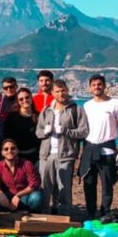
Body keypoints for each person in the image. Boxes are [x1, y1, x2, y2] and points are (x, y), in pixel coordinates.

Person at [79, 74, 118, 221]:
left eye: (99, 84)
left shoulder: (115, 103)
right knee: (88, 182)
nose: (97, 87)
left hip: (107, 150)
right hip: (89, 148)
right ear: (90, 88)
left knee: (107, 183)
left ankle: (105, 211)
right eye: (94, 85)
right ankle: (90, 212)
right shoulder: (87, 106)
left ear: (104, 85)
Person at [36, 79, 89, 215]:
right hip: (46, 155)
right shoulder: (46, 111)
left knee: (64, 187)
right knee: (45, 186)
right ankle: (45, 212)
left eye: (63, 90)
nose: (61, 94)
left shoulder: (77, 109)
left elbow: (84, 131)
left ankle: (64, 213)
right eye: (57, 91)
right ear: (52, 93)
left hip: (66, 155)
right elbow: (38, 132)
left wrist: (66, 131)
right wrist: (45, 131)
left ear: (67, 90)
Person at [0, 139, 43, 212]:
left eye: (13, 148)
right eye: (6, 149)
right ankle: (6, 214)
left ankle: (27, 213)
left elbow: (34, 184)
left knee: (37, 197)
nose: (9, 151)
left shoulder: (27, 164)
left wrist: (18, 195)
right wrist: (0, 194)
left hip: (24, 197)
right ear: (2, 153)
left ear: (17, 151)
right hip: (7, 198)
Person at [4, 86, 41, 162]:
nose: (25, 100)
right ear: (17, 101)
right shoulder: (11, 117)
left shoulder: (39, 116)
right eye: (21, 99)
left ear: (31, 98)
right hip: (17, 157)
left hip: (36, 156)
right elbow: (7, 137)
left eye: (27, 97)